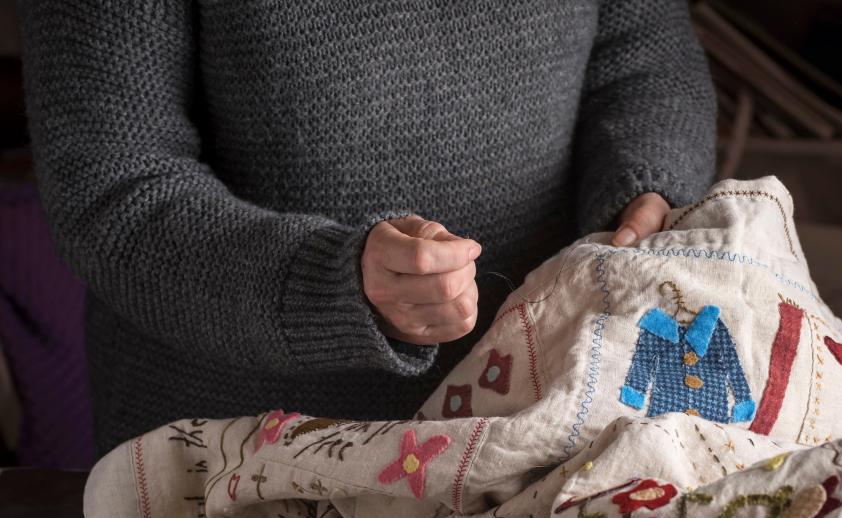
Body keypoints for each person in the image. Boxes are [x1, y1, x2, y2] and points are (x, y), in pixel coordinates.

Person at [17, 1, 715, 458]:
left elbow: (644, 52)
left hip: (540, 442)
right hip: (240, 475)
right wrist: (329, 282)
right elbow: (114, 190)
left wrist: (647, 183)